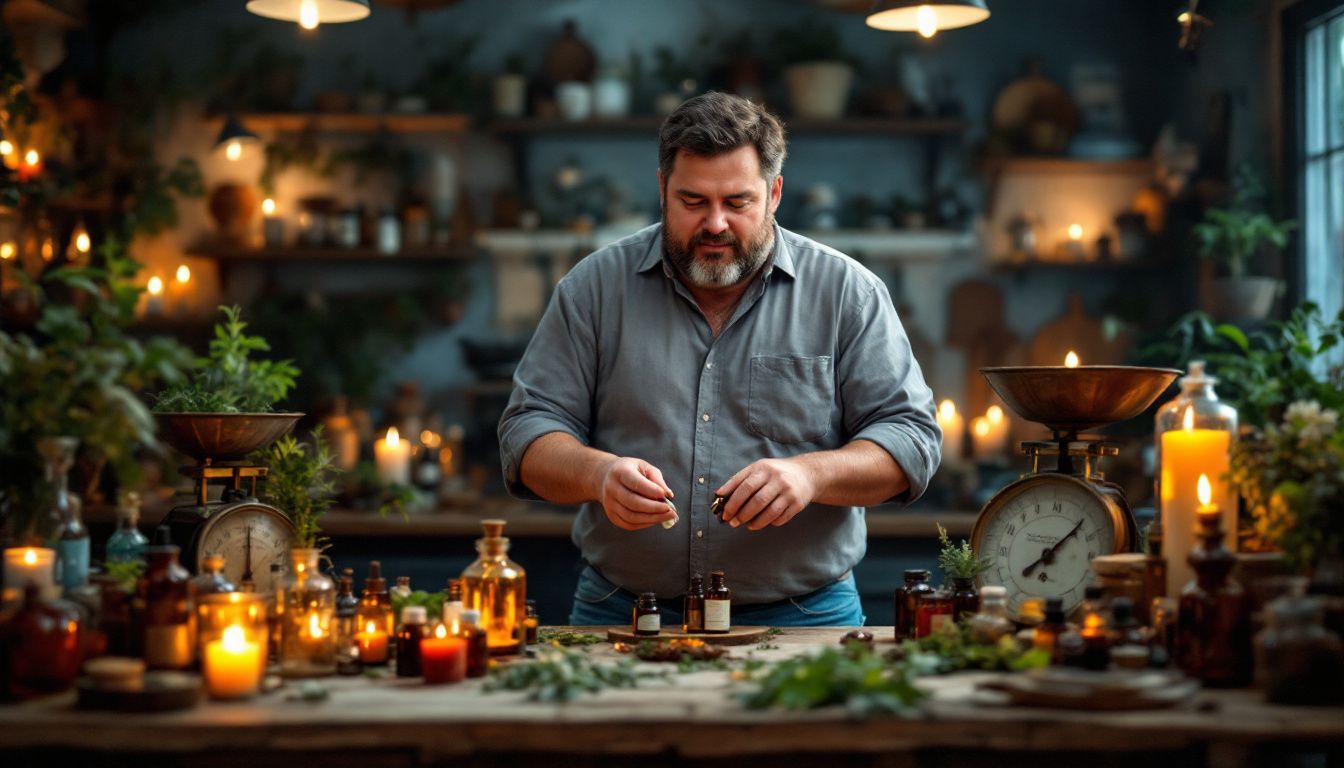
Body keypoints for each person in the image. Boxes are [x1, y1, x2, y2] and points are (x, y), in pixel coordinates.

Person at [498, 91, 940, 627]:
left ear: (774, 193)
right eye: (692, 202)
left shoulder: (848, 293)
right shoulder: (592, 290)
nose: (714, 224)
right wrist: (599, 474)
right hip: (620, 611)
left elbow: (911, 439)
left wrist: (812, 476)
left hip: (805, 614)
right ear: (662, 189)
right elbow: (527, 432)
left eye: (737, 202)